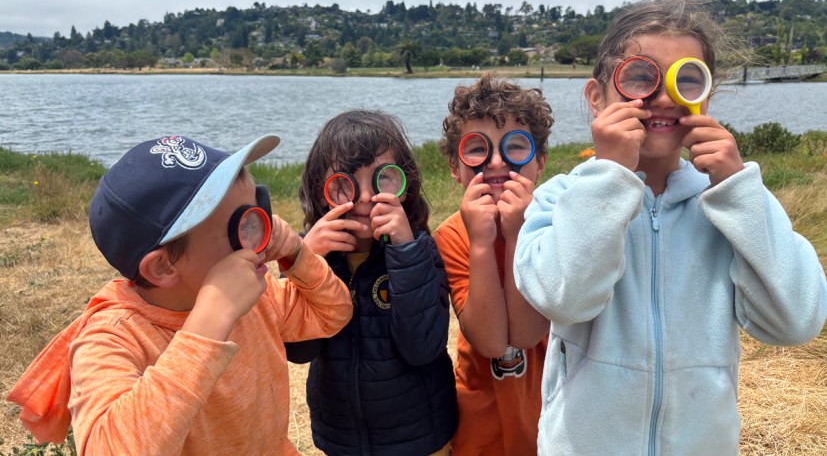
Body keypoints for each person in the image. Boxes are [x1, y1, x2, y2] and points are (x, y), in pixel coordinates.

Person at [514, 0, 827, 454]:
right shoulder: (561, 199)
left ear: (706, 95)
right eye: (640, 77)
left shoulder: (728, 204)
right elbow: (566, 299)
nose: (662, 97)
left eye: (686, 80)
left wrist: (738, 188)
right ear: (598, 97)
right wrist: (612, 178)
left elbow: (798, 321)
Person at [6, 134, 353, 454]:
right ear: (162, 269)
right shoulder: (114, 338)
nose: (261, 237)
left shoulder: (257, 299)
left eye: (258, 213)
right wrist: (210, 320)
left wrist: (297, 252)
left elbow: (333, 312)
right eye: (241, 228)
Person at [289, 110, 457, 455]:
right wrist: (304, 263)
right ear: (321, 192)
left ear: (405, 186)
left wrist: (405, 250)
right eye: (344, 183)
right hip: (341, 437)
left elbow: (423, 346)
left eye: (382, 179)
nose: (365, 197)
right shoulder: (311, 256)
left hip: (420, 437)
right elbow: (298, 350)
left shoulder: (421, 250)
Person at [433, 73, 554, 455]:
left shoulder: (557, 227)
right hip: (479, 422)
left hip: (548, 416)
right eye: (477, 150)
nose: (497, 162)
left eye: (516, 147)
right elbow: (489, 341)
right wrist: (483, 242)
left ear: (541, 163)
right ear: (456, 168)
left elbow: (526, 333)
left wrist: (519, 234)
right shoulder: (453, 237)